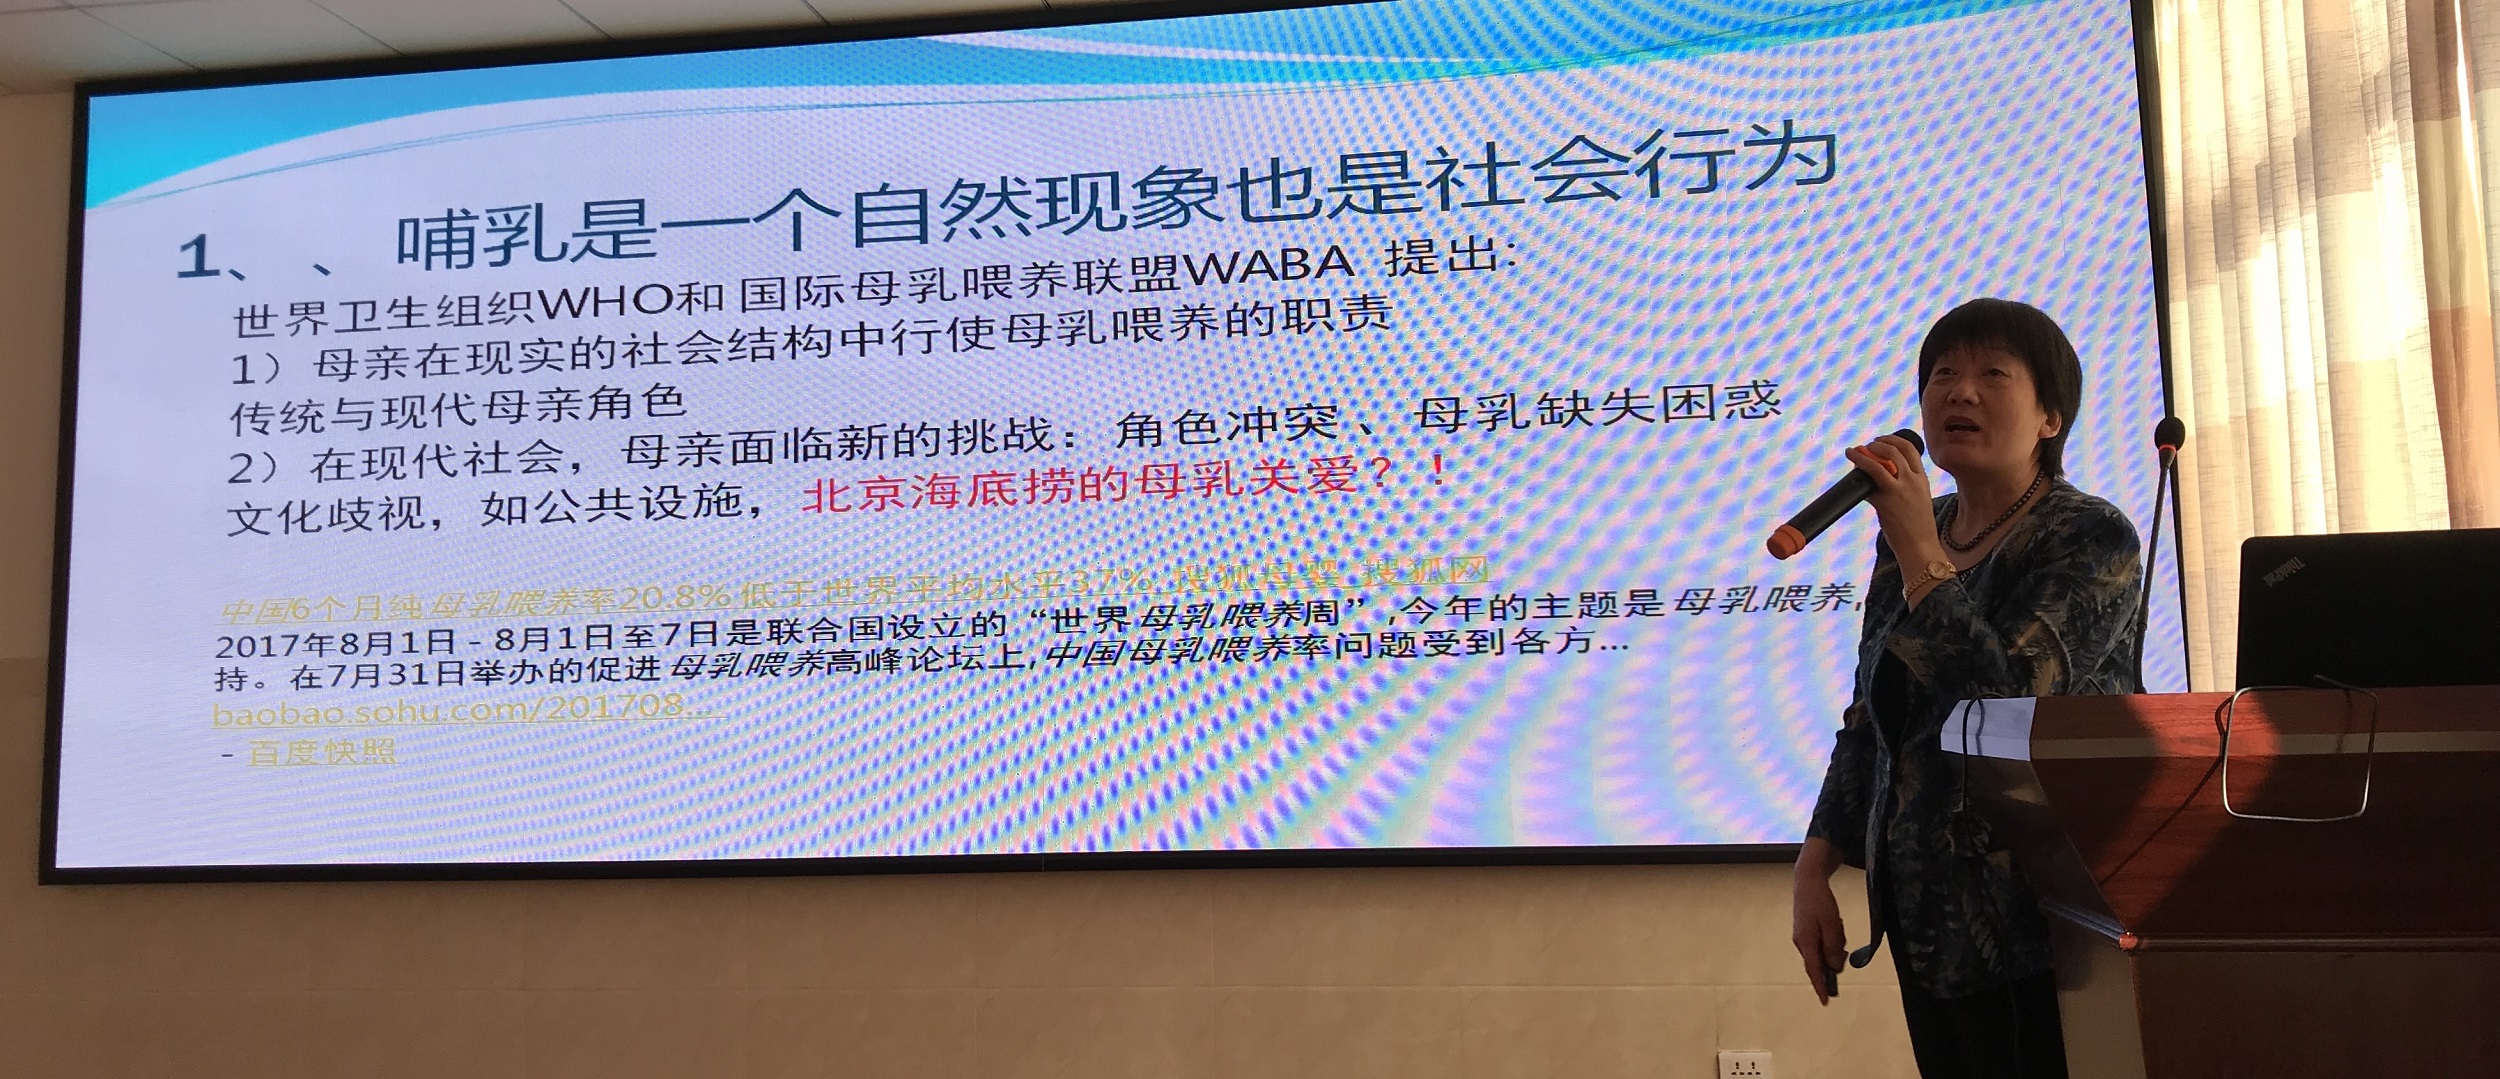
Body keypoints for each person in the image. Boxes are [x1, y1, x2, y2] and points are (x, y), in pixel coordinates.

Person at [1791, 298, 2144, 1079]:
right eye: (1943, 373)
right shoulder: (1916, 534)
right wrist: (1814, 866)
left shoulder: (2089, 534)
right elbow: (1872, 715)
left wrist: (1919, 546)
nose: (1960, 390)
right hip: (1926, 911)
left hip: (2038, 919)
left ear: (2051, 417)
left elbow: (2006, 698)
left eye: (1993, 373)